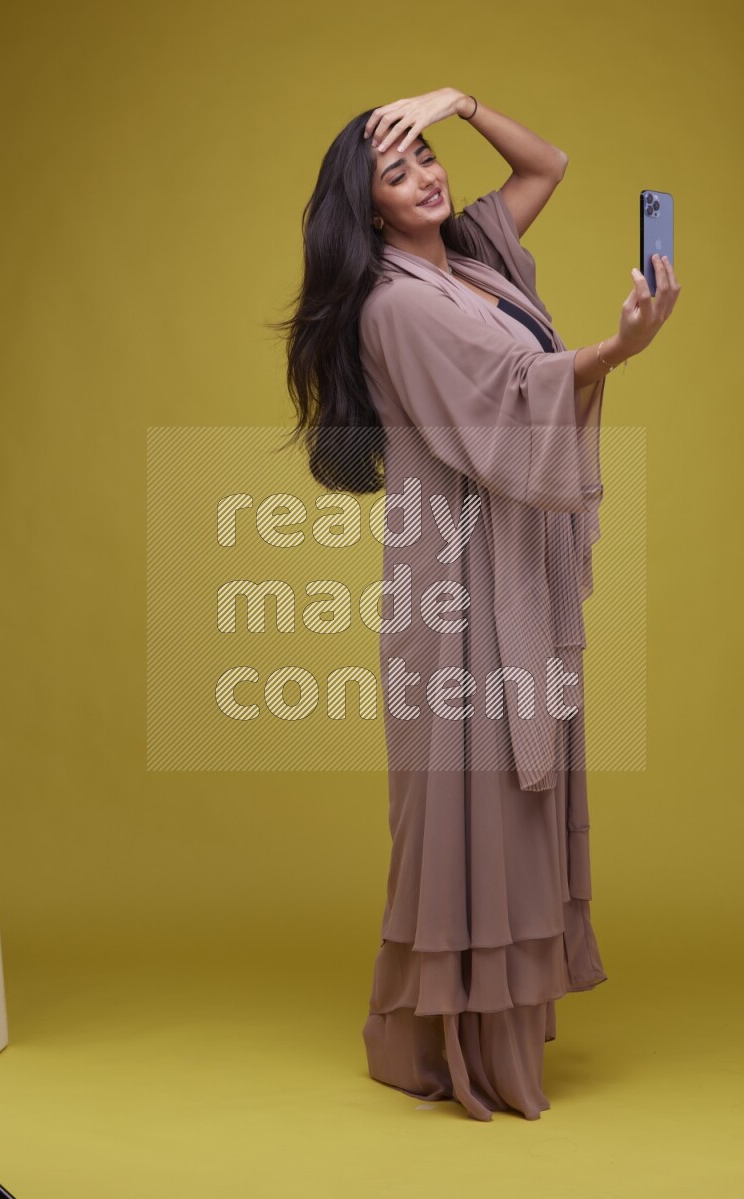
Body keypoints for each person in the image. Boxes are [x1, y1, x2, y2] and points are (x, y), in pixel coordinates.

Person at [274, 88, 681, 1121]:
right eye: (400, 168)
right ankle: (448, 1044)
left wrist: (454, 99)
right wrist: (619, 349)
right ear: (365, 210)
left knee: (513, 792)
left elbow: (546, 164)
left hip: (506, 564)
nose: (428, 174)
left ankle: (493, 1023)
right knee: (471, 803)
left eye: (428, 156)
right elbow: (516, 396)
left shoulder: (467, 258)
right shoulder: (399, 304)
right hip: (453, 587)